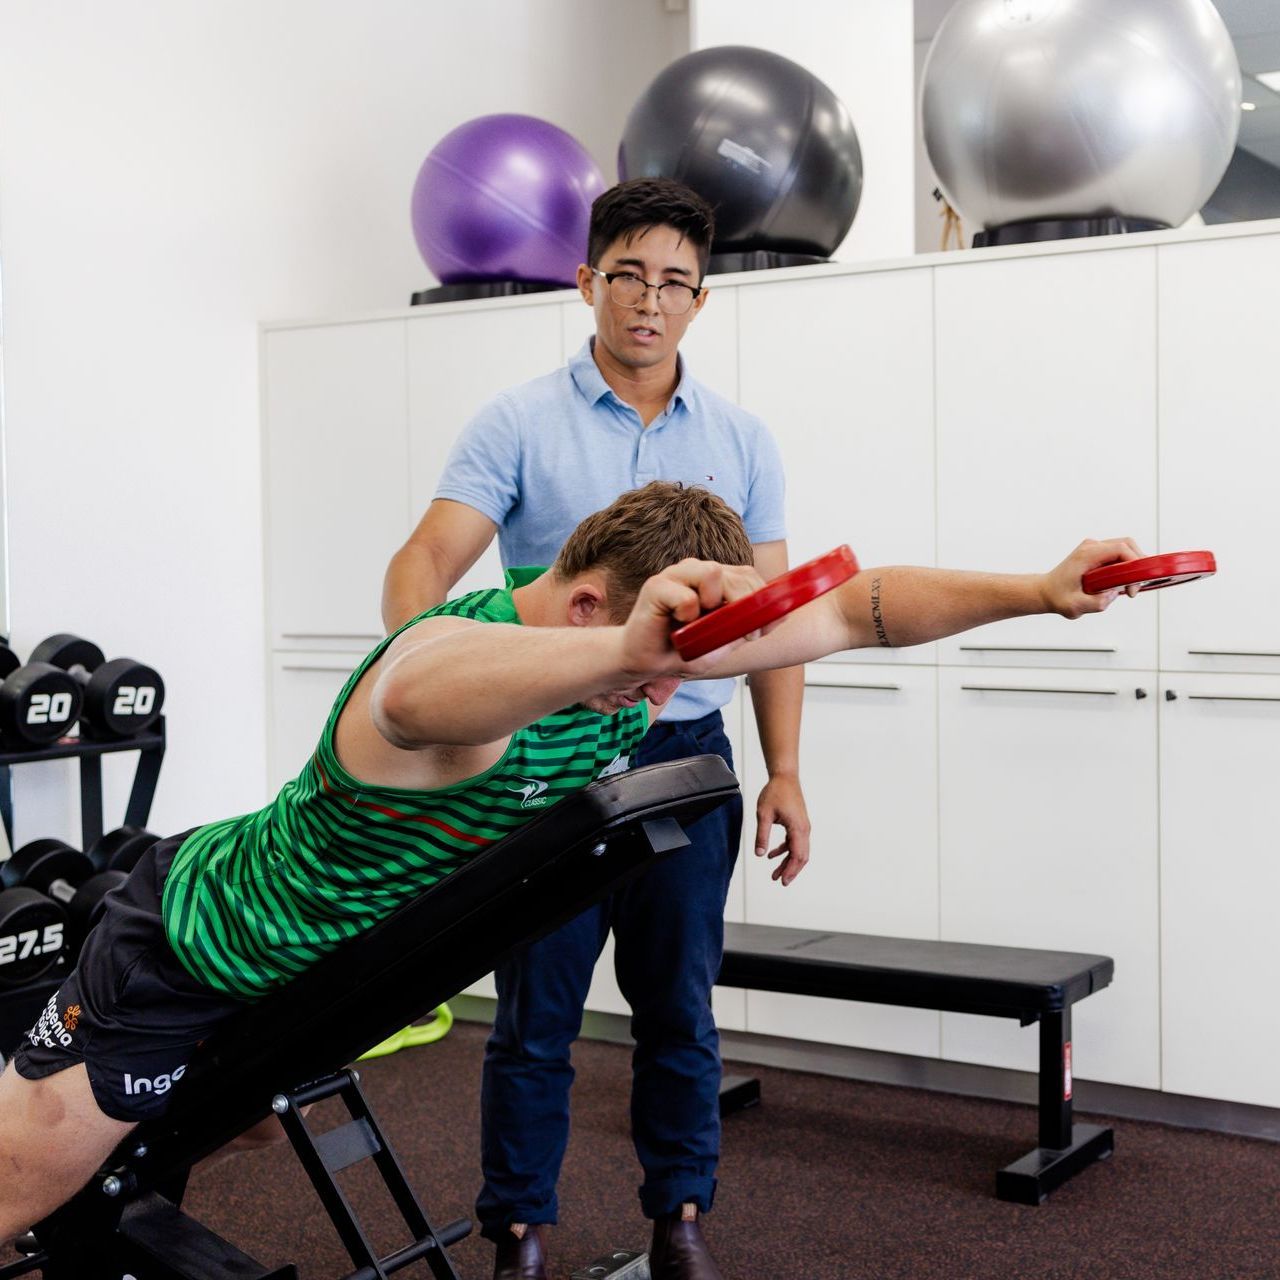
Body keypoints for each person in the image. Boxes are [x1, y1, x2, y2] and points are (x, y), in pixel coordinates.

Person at [0, 479, 1139, 1257]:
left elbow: (857, 606)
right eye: (646, 671)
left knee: (179, 1151)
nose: (652, 703)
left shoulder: (626, 657)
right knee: (24, 1197)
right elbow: (412, 685)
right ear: (592, 601)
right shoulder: (473, 670)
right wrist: (622, 652)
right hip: (183, 956)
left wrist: (1038, 588)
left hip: (307, 991)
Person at [382, 176, 810, 1280]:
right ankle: (517, 1232)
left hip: (686, 757)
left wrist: (787, 769)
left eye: (674, 281)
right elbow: (426, 560)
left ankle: (679, 1217)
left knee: (679, 1004)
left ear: (699, 301)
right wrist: (426, 669)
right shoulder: (516, 421)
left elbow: (776, 623)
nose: (648, 301)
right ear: (587, 283)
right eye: (627, 275)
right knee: (537, 1016)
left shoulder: (744, 438)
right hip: (551, 757)